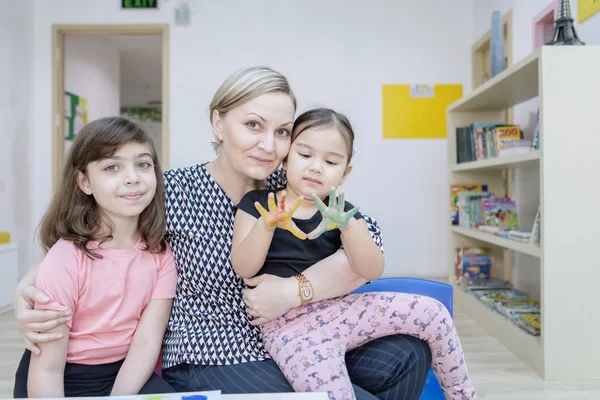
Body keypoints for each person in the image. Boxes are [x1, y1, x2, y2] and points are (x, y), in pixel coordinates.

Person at [13, 67, 432, 399]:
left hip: (301, 334)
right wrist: (26, 288)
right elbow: (96, 238)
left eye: (283, 131)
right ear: (218, 123)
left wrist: (294, 291)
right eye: (253, 125)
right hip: (212, 350)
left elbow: (366, 250)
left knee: (409, 353)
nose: (268, 144)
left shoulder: (292, 188)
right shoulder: (173, 190)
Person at [231, 108, 477, 400]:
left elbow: (371, 270)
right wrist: (266, 225)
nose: (316, 167)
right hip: (288, 330)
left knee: (434, 312)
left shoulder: (344, 213)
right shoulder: (258, 203)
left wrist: (349, 228)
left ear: (345, 172)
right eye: (305, 155)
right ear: (286, 159)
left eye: (331, 161)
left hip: (342, 312)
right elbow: (243, 267)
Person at [12, 117, 177, 397]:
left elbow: (146, 344)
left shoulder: (161, 254)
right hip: (61, 373)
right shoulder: (66, 258)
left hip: (126, 371)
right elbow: (47, 369)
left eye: (143, 164)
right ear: (84, 181)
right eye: (112, 167)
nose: (132, 177)